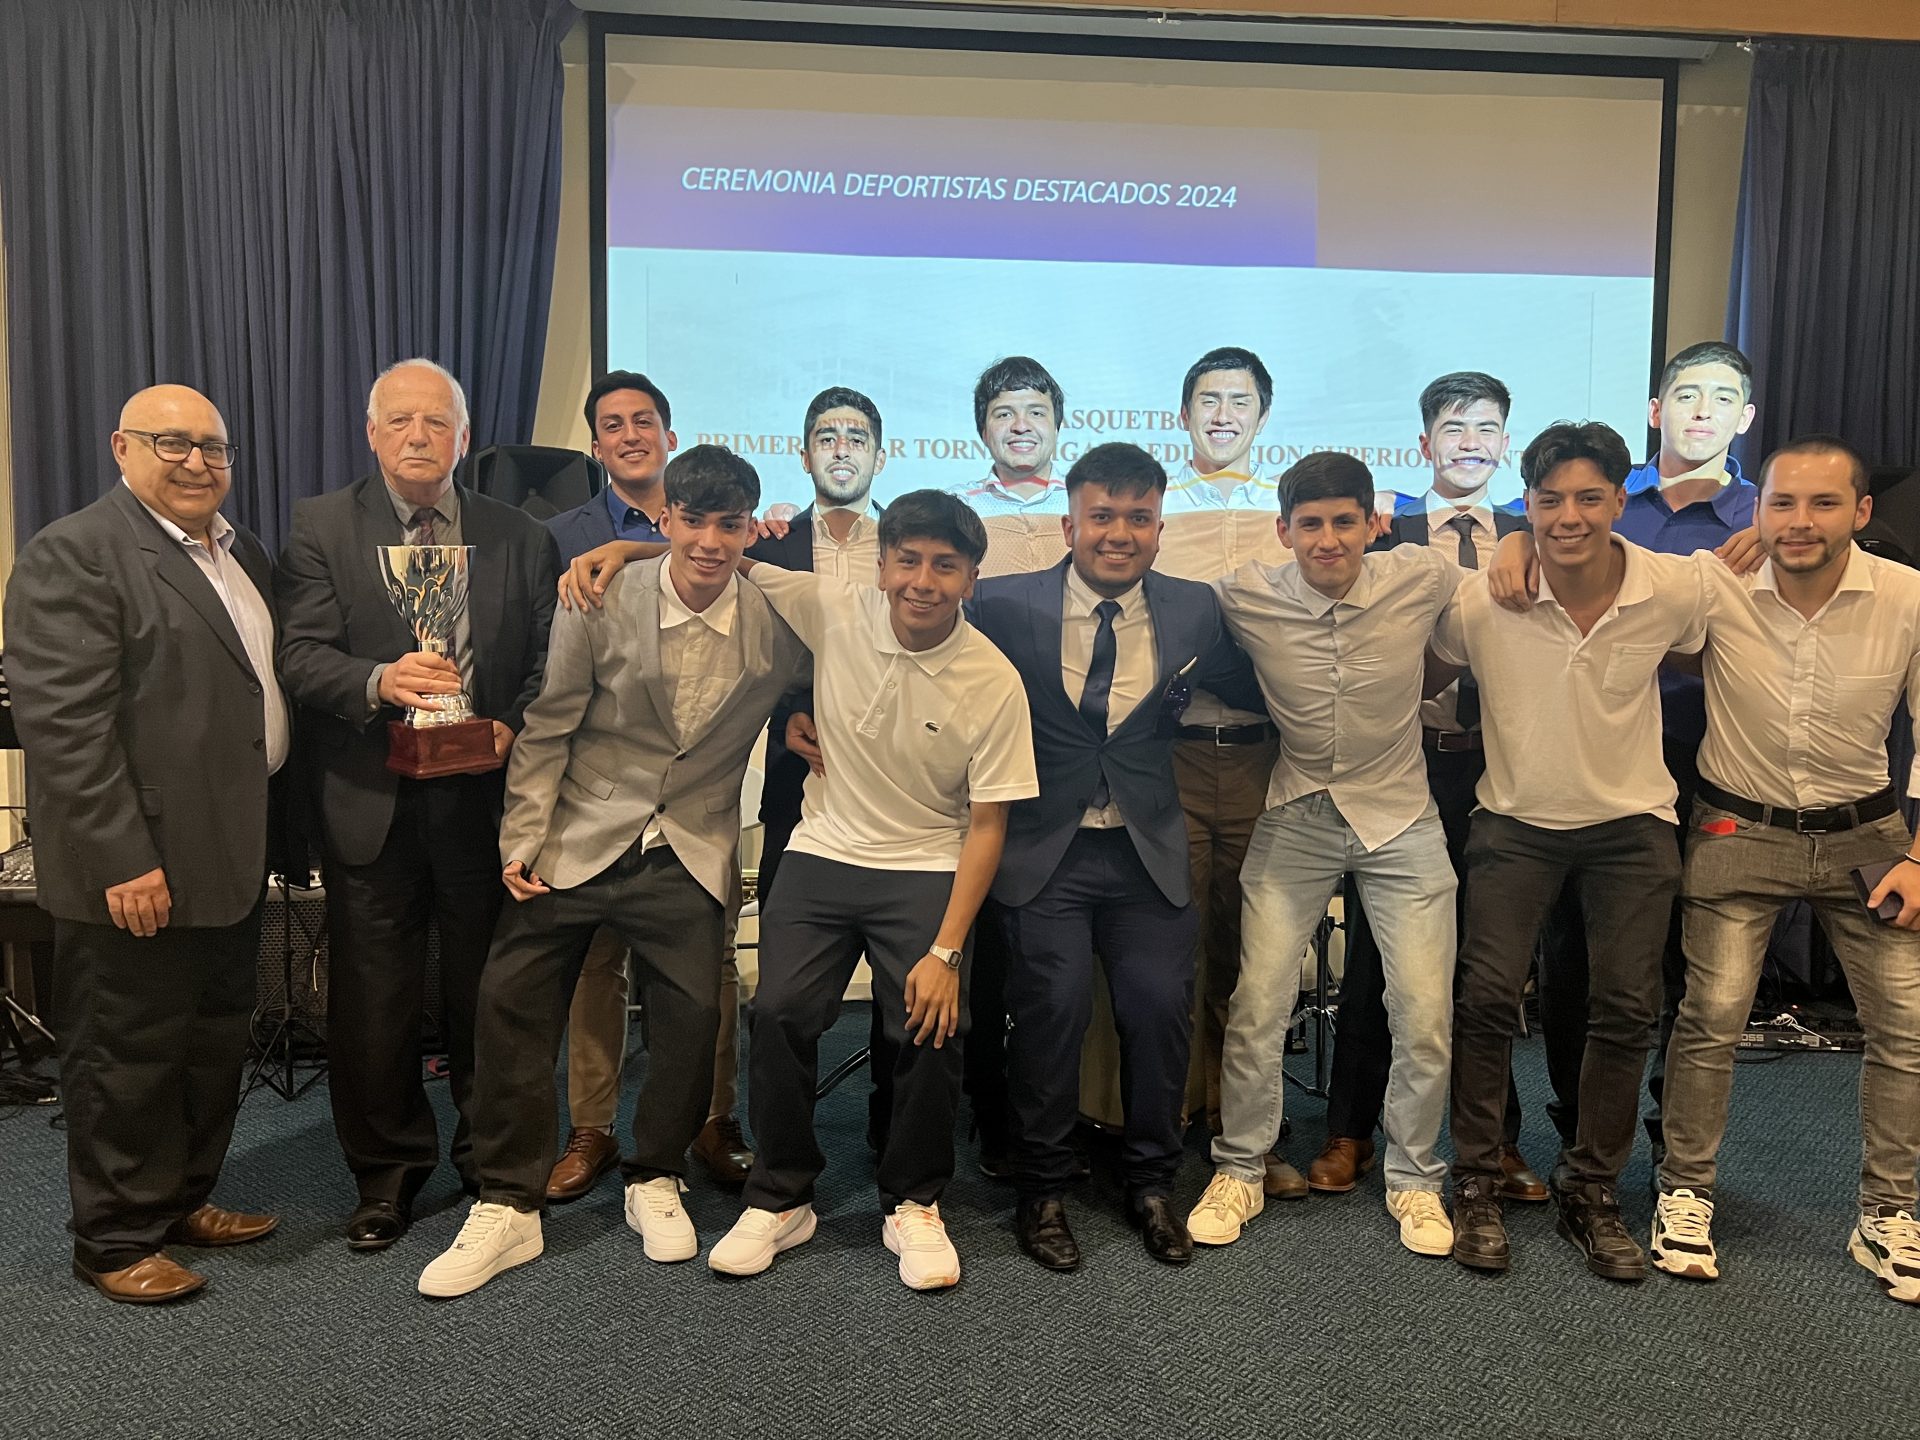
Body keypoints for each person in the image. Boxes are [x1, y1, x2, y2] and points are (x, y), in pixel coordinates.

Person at [416, 446, 811, 1298]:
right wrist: (523, 836)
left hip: (690, 843)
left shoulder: (779, 619)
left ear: (752, 528)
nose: (710, 542)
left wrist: (801, 715)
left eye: (730, 525)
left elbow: (849, 667)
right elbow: (550, 723)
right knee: (508, 1000)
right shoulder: (599, 597)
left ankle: (654, 1174)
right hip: (578, 833)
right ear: (664, 520)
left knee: (694, 1016)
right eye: (692, 521)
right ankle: (508, 1202)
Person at [708, 491, 1037, 1290]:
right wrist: (621, 550)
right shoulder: (833, 606)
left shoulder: (993, 679)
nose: (922, 581)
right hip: (823, 850)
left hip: (927, 862)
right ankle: (782, 1195)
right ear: (882, 564)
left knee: (930, 1020)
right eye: (908, 560)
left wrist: (946, 953)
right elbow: (719, 556)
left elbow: (987, 824)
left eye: (945, 566)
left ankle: (915, 1200)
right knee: (778, 1010)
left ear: (971, 578)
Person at [5, 384, 287, 1303]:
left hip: (228, 855)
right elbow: (66, 730)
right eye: (173, 443)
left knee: (207, 1047)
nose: (198, 462)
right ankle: (115, 1239)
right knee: (125, 1057)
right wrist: (123, 857)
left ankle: (181, 1201)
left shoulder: (239, 554)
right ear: (121, 447)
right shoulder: (77, 553)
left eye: (213, 446)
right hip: (139, 865)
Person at [276, 358, 559, 1252]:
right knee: (374, 1004)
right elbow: (299, 655)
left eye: (436, 422)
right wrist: (379, 680)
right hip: (373, 800)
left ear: (464, 438)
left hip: (484, 800)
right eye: (399, 420)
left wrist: (513, 723)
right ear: (372, 434)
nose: (417, 436)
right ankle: (387, 1176)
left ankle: (492, 1167)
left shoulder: (521, 536)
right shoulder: (322, 526)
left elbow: (550, 660)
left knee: (492, 997)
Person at [1433, 420, 1712, 1282]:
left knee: (1626, 1010)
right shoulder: (1483, 598)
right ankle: (1477, 1178)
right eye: (1548, 501)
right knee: (1485, 1002)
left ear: (1621, 500)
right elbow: (1427, 670)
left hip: (1632, 829)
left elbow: (1730, 627)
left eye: (1590, 498)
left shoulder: (1673, 587)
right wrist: (1508, 546)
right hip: (1514, 824)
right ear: (1527, 503)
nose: (1569, 517)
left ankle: (1591, 1188)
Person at [970, 442, 1260, 1271]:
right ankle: (1043, 1189)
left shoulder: (1195, 609)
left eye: (1139, 518)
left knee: (1159, 1008)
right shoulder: (1003, 604)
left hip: (1146, 850)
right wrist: (803, 703)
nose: (1119, 533)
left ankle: (1151, 1182)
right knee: (1053, 1009)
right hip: (1044, 850)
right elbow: (907, 639)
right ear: (1069, 524)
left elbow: (1268, 673)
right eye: (1102, 516)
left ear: (1160, 529)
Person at [1650, 435, 1920, 1306]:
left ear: (1862, 511)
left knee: (1908, 1029)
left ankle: (1888, 1214)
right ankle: (1684, 1191)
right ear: (1756, 509)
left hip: (1868, 837)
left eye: (1823, 503)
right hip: (1740, 828)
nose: (1800, 522)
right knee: (1711, 1017)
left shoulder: (1908, 597)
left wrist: (1919, 856)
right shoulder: (1718, 588)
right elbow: (1610, 590)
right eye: (1782, 503)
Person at [1188, 451, 1467, 1259]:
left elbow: (1505, 585)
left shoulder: (1423, 575)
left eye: (1346, 521)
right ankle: (1240, 1167)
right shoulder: (1245, 592)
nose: (1328, 539)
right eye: (1310, 524)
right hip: (1298, 811)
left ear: (1374, 524)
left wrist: (1518, 544)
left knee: (1423, 1011)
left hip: (1401, 814)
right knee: (1258, 1001)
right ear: (1284, 530)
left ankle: (1416, 1178)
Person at [1309, 373, 1550, 1205]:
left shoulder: (1537, 532)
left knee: (1489, 961)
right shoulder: (1378, 533)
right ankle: (1350, 1129)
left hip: (1505, 770)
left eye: (1486, 428)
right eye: (1453, 428)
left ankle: (1494, 1139)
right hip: (1402, 764)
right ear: (1424, 444)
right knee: (1378, 958)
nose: (1470, 442)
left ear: (1506, 443)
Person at [1538, 341, 1761, 1156]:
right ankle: (1578, 1129)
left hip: (1713, 763)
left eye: (1723, 397)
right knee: (1574, 955)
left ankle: (1676, 1137)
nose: (1704, 411)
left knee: (1689, 961)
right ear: (1655, 410)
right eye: (1687, 394)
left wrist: (1780, 544)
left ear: (1745, 417)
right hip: (1586, 758)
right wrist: (1516, 542)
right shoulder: (1597, 499)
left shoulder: (1773, 518)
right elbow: (1533, 546)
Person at [539, 372, 754, 1201]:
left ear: (670, 434)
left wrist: (636, 549)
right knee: (596, 967)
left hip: (696, 807)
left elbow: (734, 582)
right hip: (595, 802)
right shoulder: (558, 537)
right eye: (612, 424)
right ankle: (591, 1128)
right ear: (594, 444)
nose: (630, 434)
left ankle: (711, 1119)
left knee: (710, 973)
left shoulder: (722, 518)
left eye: (644, 421)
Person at [1146, 346, 1299, 1196]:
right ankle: (1169, 1115)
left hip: (1261, 759)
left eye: (1240, 401)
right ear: (1184, 413)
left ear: (1262, 416)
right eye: (1208, 399)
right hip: (1168, 755)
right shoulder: (1157, 512)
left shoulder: (1289, 515)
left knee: (1250, 954)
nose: (1223, 415)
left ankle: (1247, 1128)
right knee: (1174, 942)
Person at [945, 355, 1073, 577]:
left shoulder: (1088, 503)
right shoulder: (955, 508)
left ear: (1056, 428)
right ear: (984, 432)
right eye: (1004, 414)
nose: (1021, 426)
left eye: (1036, 413)